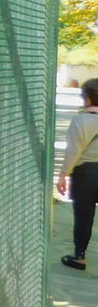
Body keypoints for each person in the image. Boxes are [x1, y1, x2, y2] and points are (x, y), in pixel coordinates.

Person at [59, 77, 98, 271]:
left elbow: (73, 151)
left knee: (84, 217)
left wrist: (63, 174)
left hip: (86, 173)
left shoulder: (80, 121)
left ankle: (80, 256)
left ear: (88, 98)